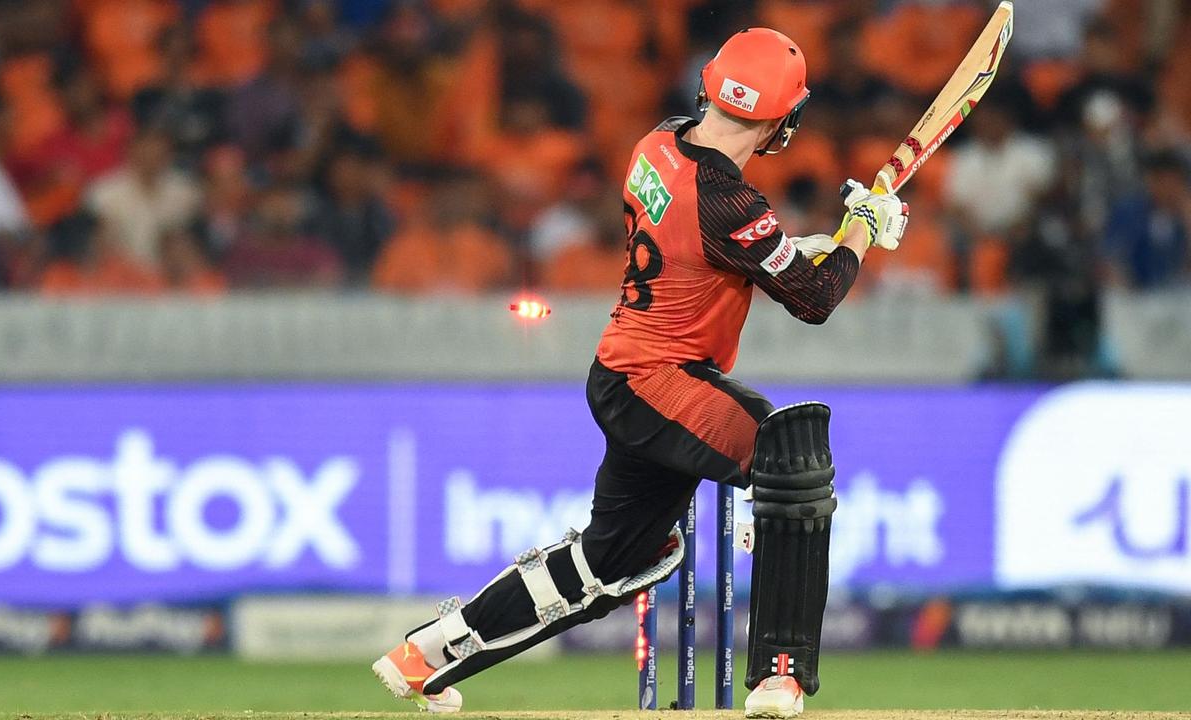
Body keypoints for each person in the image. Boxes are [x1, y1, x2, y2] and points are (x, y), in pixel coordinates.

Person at [371, 28, 909, 718]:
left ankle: (432, 651)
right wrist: (862, 228)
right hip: (662, 382)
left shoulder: (657, 144)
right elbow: (815, 299)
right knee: (787, 454)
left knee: (613, 564)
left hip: (622, 372)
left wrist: (805, 246)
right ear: (787, 120)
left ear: (710, 87)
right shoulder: (731, 204)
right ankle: (781, 674)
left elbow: (720, 254)